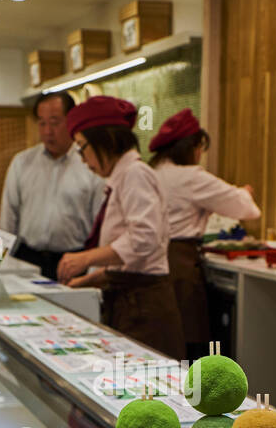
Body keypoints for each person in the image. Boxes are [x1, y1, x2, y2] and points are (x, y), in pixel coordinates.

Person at [56, 96, 186, 360]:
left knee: (149, 392)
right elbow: (128, 260)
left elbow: (143, 239)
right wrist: (87, 280)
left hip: (144, 307)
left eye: (82, 148)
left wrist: (85, 259)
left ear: (106, 139)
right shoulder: (123, 176)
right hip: (129, 298)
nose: (82, 159)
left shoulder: (135, 174)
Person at [149, 109, 261, 361]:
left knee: (161, 340)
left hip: (149, 261)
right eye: (200, 147)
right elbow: (247, 209)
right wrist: (243, 192)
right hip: (179, 264)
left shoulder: (152, 172)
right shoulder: (191, 177)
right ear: (191, 147)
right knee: (187, 339)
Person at [0, 91, 106, 280]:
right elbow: (6, 222)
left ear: (71, 121)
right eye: (42, 123)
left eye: (55, 122)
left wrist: (92, 275)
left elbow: (101, 227)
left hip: (73, 262)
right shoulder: (22, 162)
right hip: (27, 260)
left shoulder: (90, 164)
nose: (48, 131)